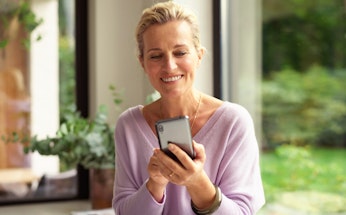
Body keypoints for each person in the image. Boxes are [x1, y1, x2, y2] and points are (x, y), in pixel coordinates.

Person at [112, 2, 265, 214]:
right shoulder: (129, 125)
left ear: (199, 55)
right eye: (156, 56)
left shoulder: (234, 122)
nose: (169, 66)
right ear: (143, 63)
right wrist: (155, 183)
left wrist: (196, 181)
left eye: (180, 52)